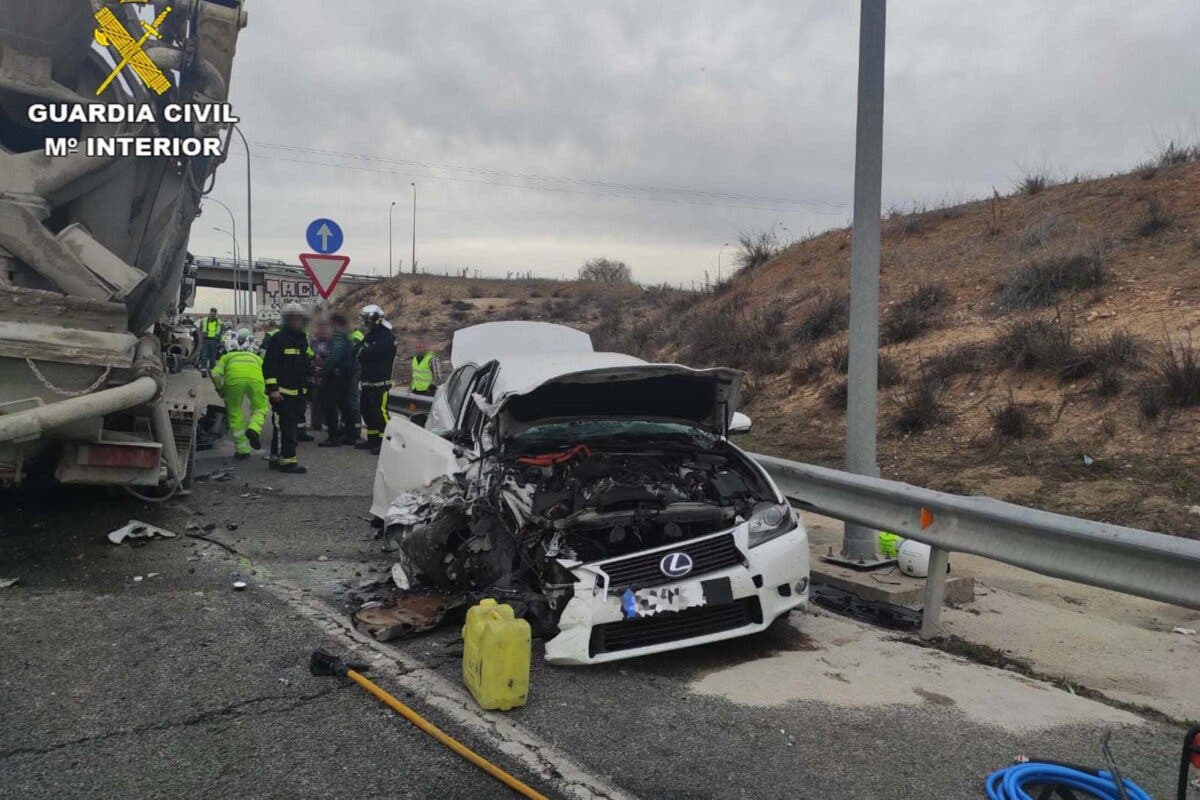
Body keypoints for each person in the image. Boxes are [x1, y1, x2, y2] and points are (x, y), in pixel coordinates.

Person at [262, 303, 312, 473]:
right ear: (288, 320)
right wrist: (273, 389)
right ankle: (288, 461)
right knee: (285, 428)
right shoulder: (279, 338)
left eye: (301, 319)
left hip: (297, 393)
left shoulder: (302, 339)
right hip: (282, 394)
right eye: (295, 319)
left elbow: (305, 365)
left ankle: (276, 457)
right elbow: (269, 366)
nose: (298, 322)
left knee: (288, 427)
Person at [210, 328, 268, 459]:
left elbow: (215, 373)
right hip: (256, 380)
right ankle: (254, 428)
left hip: (233, 382)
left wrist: (220, 388)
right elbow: (267, 371)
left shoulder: (227, 357)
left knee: (235, 413)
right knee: (260, 408)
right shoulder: (255, 357)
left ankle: (243, 449)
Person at [355, 304, 396, 455]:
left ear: (375, 321)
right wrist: (363, 349)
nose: (365, 325)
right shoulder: (371, 335)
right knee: (366, 410)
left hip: (380, 382)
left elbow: (371, 353)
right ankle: (373, 440)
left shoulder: (387, 336)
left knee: (380, 413)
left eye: (367, 322)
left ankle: (386, 443)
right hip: (367, 381)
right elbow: (358, 351)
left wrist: (364, 349)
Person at [318, 313, 356, 447]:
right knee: (345, 405)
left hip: (336, 376)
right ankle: (350, 436)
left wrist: (324, 369)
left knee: (330, 406)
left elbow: (334, 357)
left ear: (335, 323)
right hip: (345, 375)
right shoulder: (346, 336)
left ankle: (333, 437)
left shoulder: (338, 335)